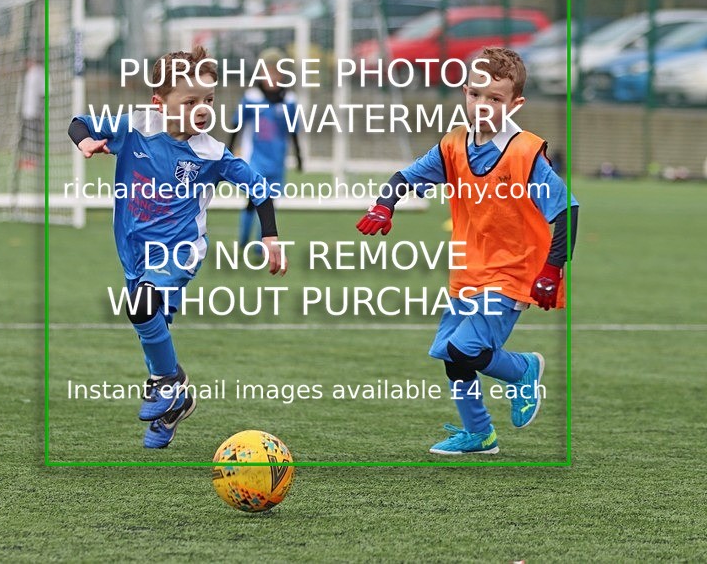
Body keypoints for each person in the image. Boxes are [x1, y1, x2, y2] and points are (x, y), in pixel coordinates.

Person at [356, 47, 578, 455]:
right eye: (476, 94)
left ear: (515, 104)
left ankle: (523, 369)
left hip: (514, 273)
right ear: (464, 92)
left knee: (465, 349)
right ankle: (480, 435)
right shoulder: (454, 144)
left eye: (495, 98)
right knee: (452, 357)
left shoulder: (524, 153)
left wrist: (552, 268)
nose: (482, 105)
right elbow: (404, 177)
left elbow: (566, 209)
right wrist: (384, 205)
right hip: (468, 270)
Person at [68, 46, 287, 449]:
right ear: (159, 103)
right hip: (134, 252)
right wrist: (85, 143)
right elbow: (78, 122)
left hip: (182, 249)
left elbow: (260, 189)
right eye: (190, 102)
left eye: (209, 100)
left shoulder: (211, 152)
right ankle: (174, 403)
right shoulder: (136, 126)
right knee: (151, 324)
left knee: (141, 307)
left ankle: (170, 382)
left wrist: (269, 236)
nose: (202, 110)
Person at [228, 47, 302, 248]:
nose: (272, 77)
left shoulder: (289, 100)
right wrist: (229, 151)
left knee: (270, 204)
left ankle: (261, 246)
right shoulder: (252, 97)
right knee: (253, 200)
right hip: (256, 159)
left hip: (277, 161)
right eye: (268, 71)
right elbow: (236, 124)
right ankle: (243, 241)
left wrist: (299, 156)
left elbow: (293, 130)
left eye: (276, 72)